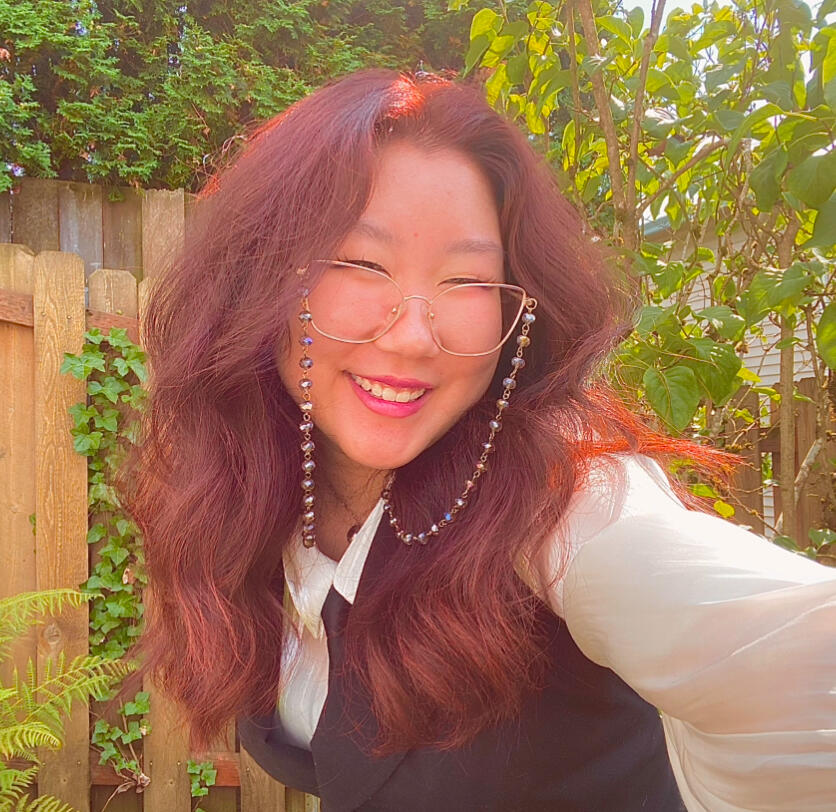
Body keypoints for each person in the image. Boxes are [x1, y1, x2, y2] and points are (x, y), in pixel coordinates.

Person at [119, 69, 836, 811]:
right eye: (361, 264)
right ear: (258, 280)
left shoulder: (566, 500)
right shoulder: (251, 501)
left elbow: (814, 687)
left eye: (467, 281)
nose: (412, 336)